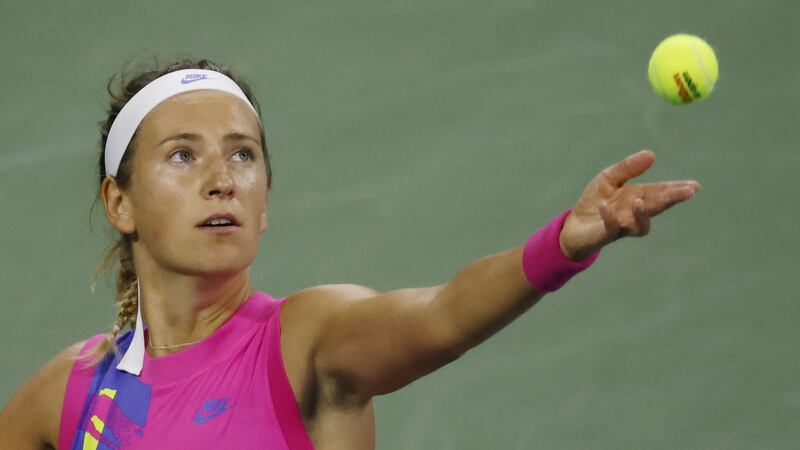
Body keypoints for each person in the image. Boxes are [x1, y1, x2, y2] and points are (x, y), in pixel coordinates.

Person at [0, 58, 700, 450]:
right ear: (120, 204)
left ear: (265, 201)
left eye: (243, 155)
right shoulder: (71, 394)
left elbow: (441, 317)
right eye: (183, 155)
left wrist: (563, 245)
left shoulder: (306, 341)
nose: (222, 178)